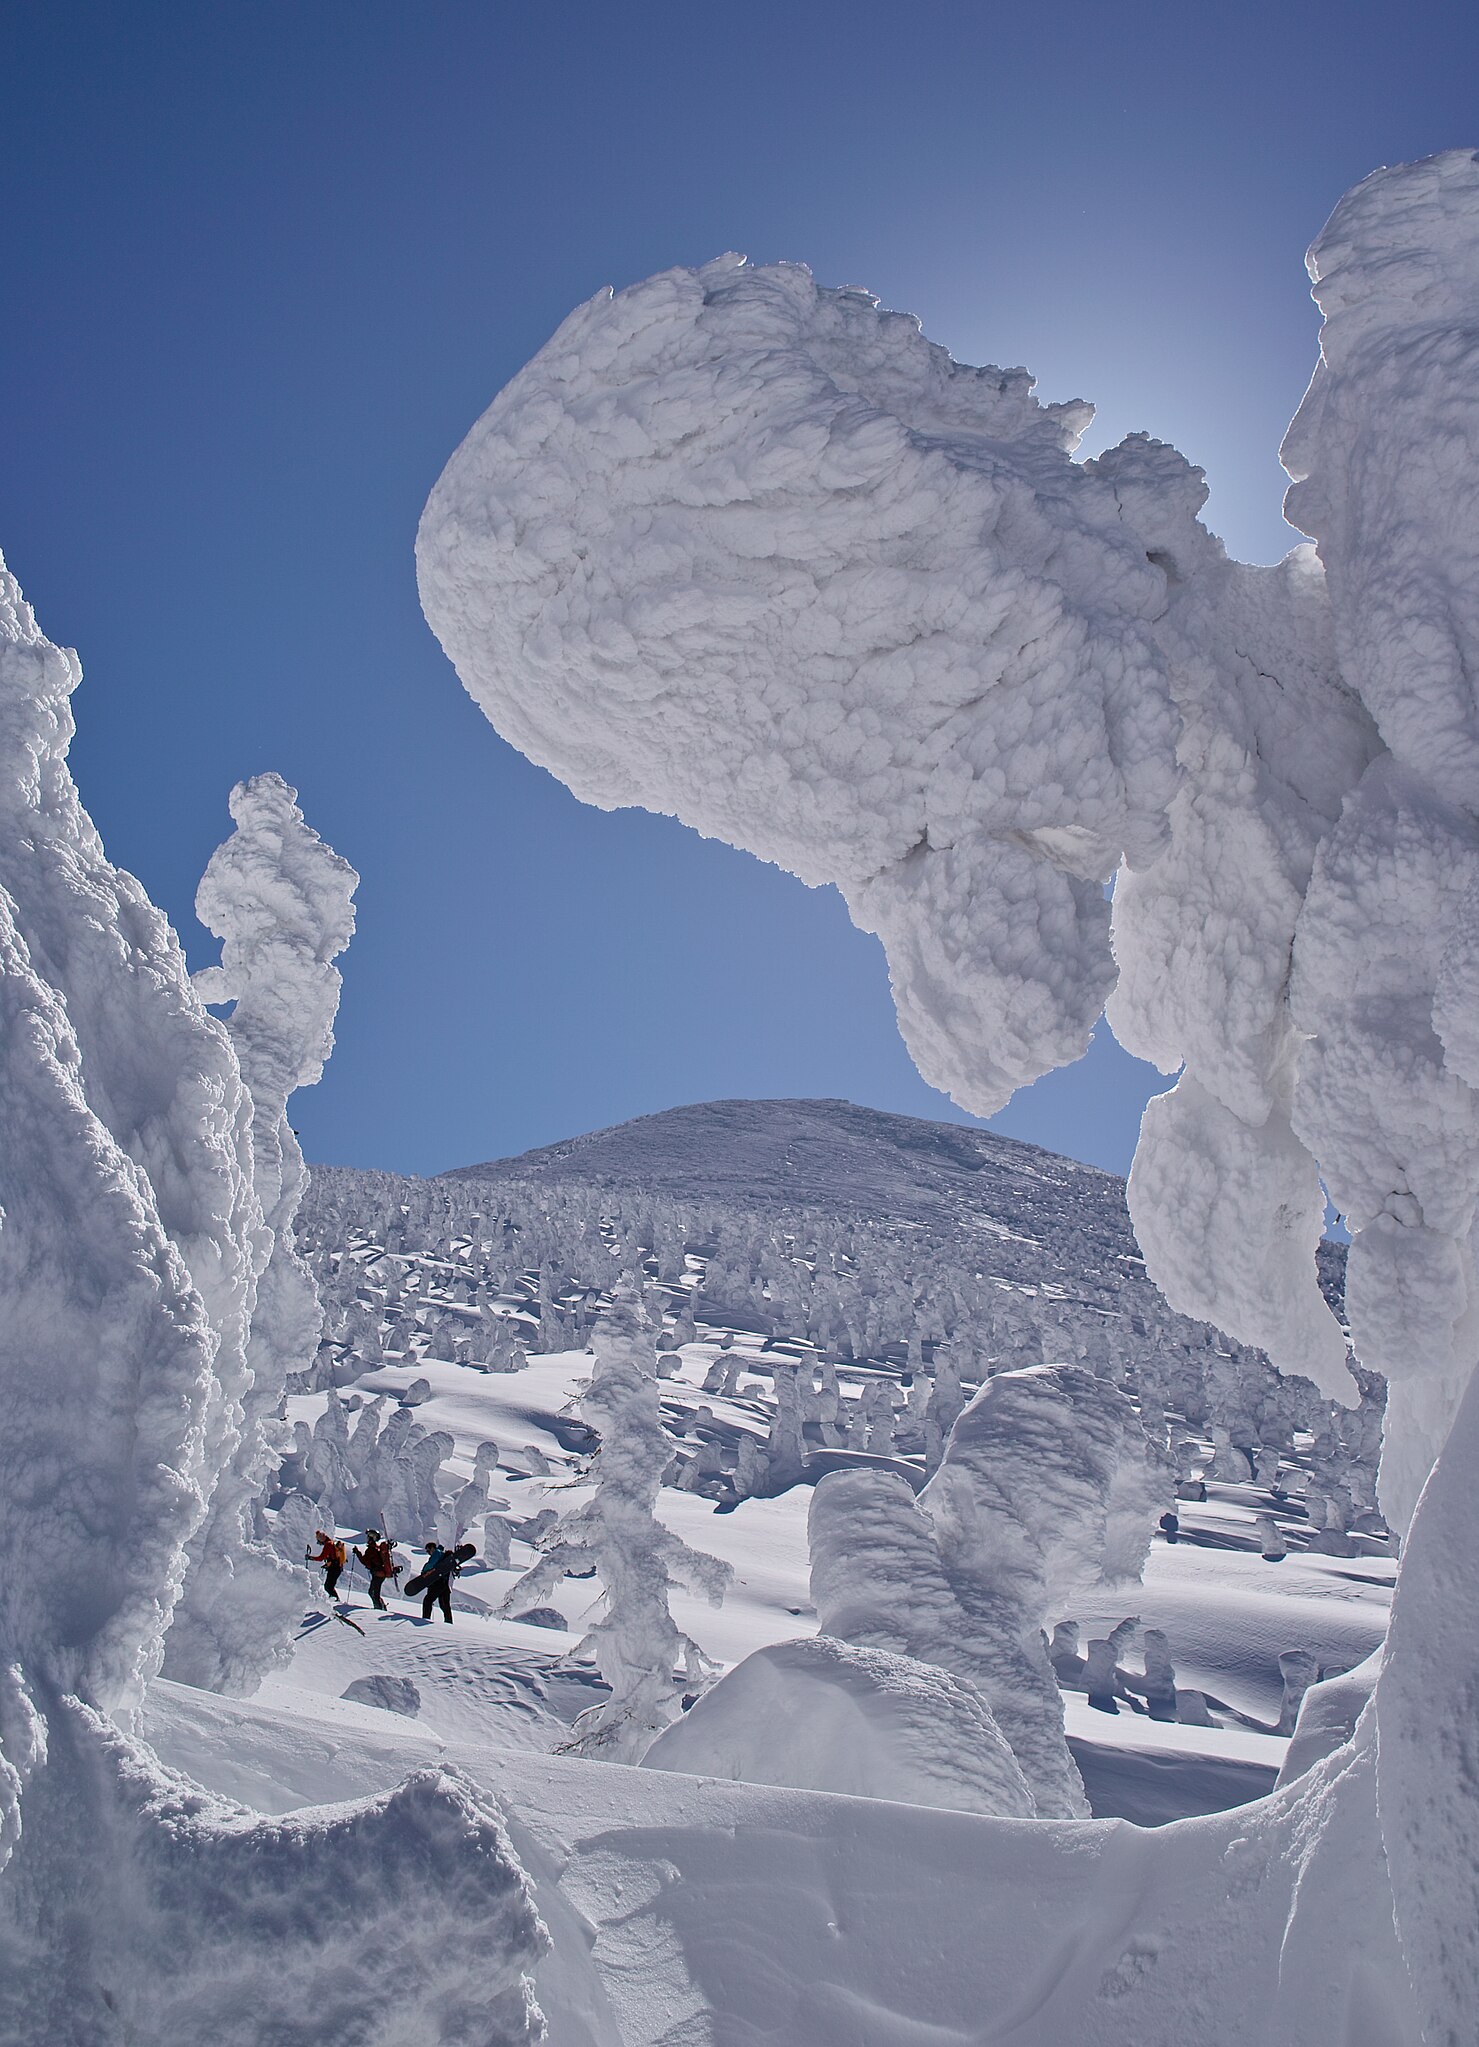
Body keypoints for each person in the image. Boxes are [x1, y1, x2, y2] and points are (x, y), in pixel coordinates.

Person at [354, 1528, 399, 1610]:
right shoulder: (376, 1548)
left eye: (368, 1537)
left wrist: (358, 1553)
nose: (367, 1539)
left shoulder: (371, 1550)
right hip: (380, 1574)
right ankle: (381, 1607)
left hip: (377, 1573)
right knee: (373, 1592)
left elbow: (365, 1561)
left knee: (374, 1593)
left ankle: (379, 1609)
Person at [309, 1529, 347, 1599]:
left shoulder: (328, 1544)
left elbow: (321, 1558)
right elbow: (333, 1557)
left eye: (318, 1540)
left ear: (321, 1539)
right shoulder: (331, 1543)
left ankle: (335, 1600)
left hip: (334, 1568)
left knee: (328, 1587)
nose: (318, 1542)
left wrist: (310, 1558)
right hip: (336, 1567)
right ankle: (334, 1599)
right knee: (329, 1586)